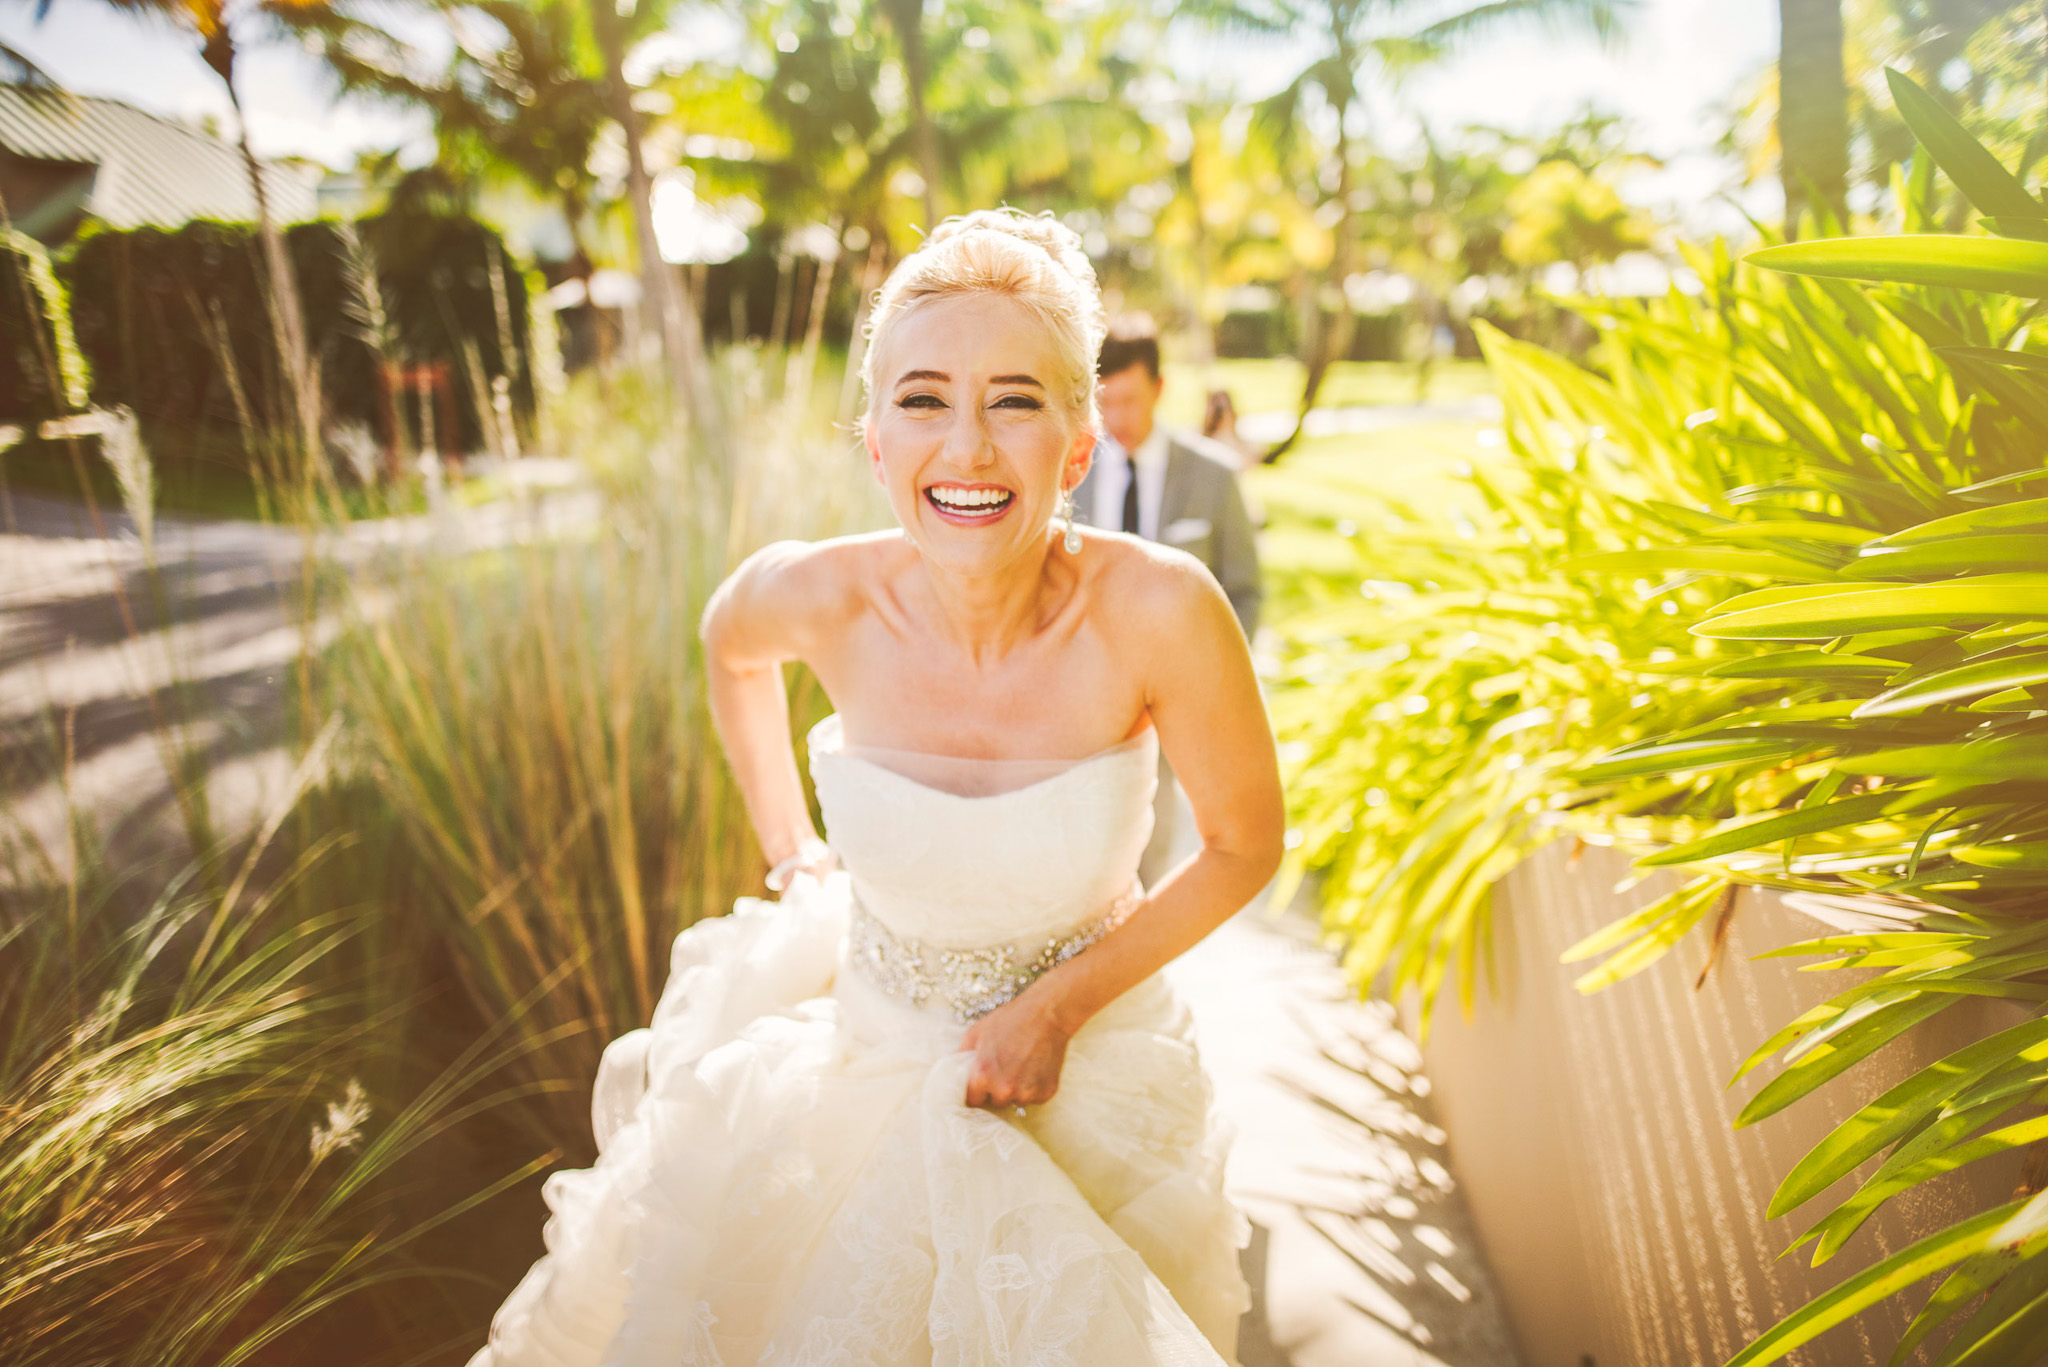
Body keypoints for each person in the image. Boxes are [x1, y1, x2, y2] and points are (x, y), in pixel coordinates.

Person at [468, 209, 1284, 1367]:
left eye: (1013, 399)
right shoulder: (819, 595)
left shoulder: (1161, 609)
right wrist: (790, 846)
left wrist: (1052, 1007)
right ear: (874, 444)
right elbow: (726, 646)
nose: (965, 447)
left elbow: (1246, 842)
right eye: (920, 400)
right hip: (860, 1063)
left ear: (1076, 444)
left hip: (1089, 1079)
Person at [1073, 316, 1263, 886]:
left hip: (1173, 697)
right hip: (1082, 690)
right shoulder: (1067, 473)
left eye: (1130, 400)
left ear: (1159, 388)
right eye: (1105, 402)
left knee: (1150, 844)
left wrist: (1209, 679)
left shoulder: (1213, 478)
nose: (1119, 419)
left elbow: (1245, 590)